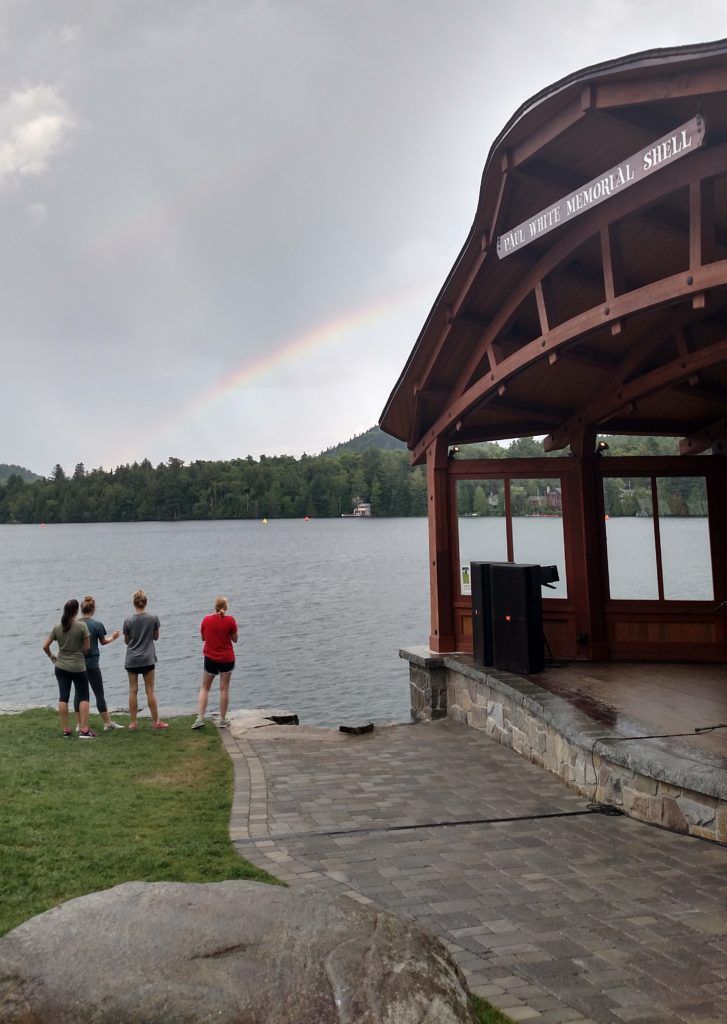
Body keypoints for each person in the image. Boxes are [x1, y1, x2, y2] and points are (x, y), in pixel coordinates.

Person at [42, 599, 95, 739]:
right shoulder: (82, 626)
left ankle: (66, 729)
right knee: (84, 696)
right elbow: (87, 648)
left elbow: (45, 646)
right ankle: (84, 730)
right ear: (76, 611)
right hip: (78, 667)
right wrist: (80, 655)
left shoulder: (57, 627)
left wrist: (52, 656)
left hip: (61, 666)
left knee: (63, 696)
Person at [73, 596, 124, 732]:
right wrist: (113, 637)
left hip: (78, 664)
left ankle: (79, 724)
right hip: (93, 664)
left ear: (81, 609)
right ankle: (107, 723)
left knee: (79, 693)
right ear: (93, 609)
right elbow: (102, 641)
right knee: (99, 693)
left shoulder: (75, 624)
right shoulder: (97, 624)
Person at [123, 589, 168, 731]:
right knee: (150, 691)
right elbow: (156, 637)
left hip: (131, 659)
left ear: (134, 603)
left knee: (133, 690)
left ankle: (133, 723)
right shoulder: (153, 618)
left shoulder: (128, 620)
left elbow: (126, 641)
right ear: (145, 602)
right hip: (148, 659)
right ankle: (156, 721)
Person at [192, 596, 238, 729]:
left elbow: (203, 638)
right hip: (227, 658)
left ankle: (200, 717)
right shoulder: (231, 620)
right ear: (226, 607)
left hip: (210, 658)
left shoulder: (206, 619)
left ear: (215, 606)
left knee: (205, 688)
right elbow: (235, 639)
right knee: (224, 689)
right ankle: (223, 720)